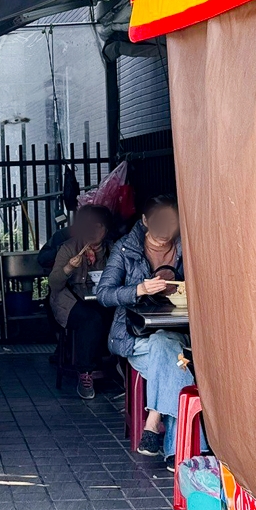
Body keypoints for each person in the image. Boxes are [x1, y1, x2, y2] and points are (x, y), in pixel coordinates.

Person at [95, 195, 187, 458]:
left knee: (167, 350)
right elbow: (104, 294)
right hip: (134, 336)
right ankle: (178, 453)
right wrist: (139, 289)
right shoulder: (126, 249)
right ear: (146, 221)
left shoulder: (186, 246)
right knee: (177, 362)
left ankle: (152, 425)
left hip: (177, 332)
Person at [47, 204, 116, 400]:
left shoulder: (112, 250)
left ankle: (118, 366)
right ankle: (85, 373)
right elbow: (54, 283)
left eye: (98, 226)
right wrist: (68, 267)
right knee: (90, 319)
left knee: (117, 315)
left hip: (101, 299)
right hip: (67, 300)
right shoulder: (69, 247)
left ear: (106, 229)